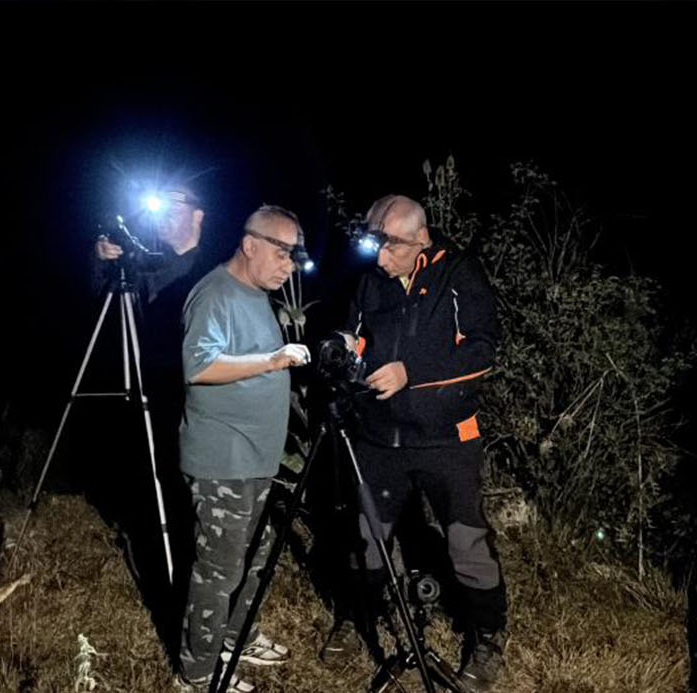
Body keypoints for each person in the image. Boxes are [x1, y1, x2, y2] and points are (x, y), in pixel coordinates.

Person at [330, 194, 508, 692]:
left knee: (466, 541)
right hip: (379, 436)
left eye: (392, 247)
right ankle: (356, 617)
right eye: (375, 247)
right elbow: (357, 334)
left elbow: (482, 351)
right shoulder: (372, 280)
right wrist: (343, 346)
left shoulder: (459, 274)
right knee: (366, 537)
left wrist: (412, 372)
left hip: (447, 437)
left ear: (421, 239)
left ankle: (488, 636)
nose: (382, 259)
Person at [176, 205, 310, 692]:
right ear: (250, 244)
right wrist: (272, 361)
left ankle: (237, 637)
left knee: (254, 554)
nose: (289, 265)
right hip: (222, 461)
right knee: (218, 570)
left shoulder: (255, 294)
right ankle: (198, 673)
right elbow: (199, 366)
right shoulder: (215, 293)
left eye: (294, 256)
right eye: (282, 252)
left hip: (254, 458)